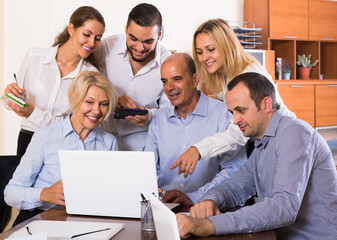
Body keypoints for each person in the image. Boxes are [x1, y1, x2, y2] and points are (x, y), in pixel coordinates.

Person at [176, 72, 337, 239]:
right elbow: (234, 186)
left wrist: (209, 225)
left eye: (241, 110)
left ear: (266, 104)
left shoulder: (293, 133)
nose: (235, 120)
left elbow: (283, 207)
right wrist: (209, 201)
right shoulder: (262, 144)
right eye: (232, 112)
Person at [171, 18, 296, 177]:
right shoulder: (229, 75)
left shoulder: (247, 74)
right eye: (200, 52)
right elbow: (230, 95)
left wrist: (197, 150)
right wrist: (210, 98)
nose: (204, 58)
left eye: (211, 49)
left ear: (226, 46)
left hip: (284, 143)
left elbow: (236, 135)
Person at [4, 71, 118, 226]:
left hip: (85, 222)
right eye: (89, 102)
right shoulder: (45, 136)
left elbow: (110, 192)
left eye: (103, 104)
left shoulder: (109, 142)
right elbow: (11, 193)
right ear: (74, 98)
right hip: (39, 218)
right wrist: (44, 194)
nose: (97, 111)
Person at [145, 53, 246, 205]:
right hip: (166, 207)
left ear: (195, 80)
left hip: (208, 206)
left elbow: (233, 169)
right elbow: (148, 170)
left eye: (177, 79)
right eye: (165, 81)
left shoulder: (223, 114)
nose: (169, 88)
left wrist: (197, 196)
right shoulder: (158, 119)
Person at [4, 6, 105, 157]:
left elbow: (74, 123)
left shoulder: (90, 75)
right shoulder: (34, 57)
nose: (91, 43)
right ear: (71, 29)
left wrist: (33, 113)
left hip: (64, 144)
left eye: (97, 38)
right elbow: (9, 103)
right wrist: (9, 96)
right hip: (28, 140)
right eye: (87, 34)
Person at [98, 3, 171, 151]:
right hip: (101, 139)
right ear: (126, 29)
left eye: (148, 41)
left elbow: (170, 112)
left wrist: (149, 116)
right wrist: (112, 101)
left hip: (143, 144)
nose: (139, 48)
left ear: (160, 34)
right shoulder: (106, 47)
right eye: (133, 39)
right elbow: (88, 86)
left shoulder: (168, 63)